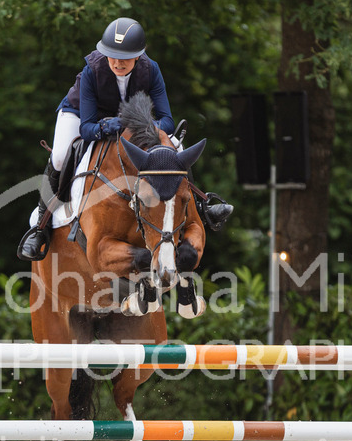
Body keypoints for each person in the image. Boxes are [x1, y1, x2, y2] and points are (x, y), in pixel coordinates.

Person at [17, 17, 232, 262]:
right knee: (59, 155)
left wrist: (143, 127)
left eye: (125, 57)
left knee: (174, 146)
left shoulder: (151, 70)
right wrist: (109, 125)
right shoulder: (92, 70)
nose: (118, 62)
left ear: (139, 56)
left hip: (131, 124)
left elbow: (167, 121)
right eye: (112, 55)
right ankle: (41, 226)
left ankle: (202, 206)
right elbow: (87, 129)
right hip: (83, 115)